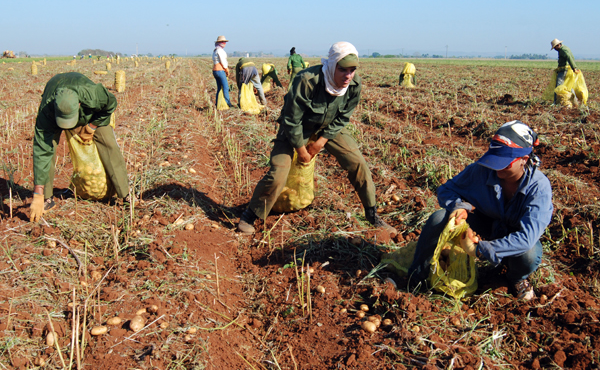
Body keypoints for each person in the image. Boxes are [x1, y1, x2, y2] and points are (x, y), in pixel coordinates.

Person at [238, 42, 397, 235]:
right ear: (331, 65)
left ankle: (372, 214)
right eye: (343, 69)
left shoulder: (354, 85)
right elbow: (291, 119)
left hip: (328, 128)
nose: (348, 76)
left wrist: (321, 142)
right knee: (279, 172)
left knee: (358, 164)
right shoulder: (307, 80)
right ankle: (251, 214)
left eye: (352, 70)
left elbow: (343, 117)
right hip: (297, 128)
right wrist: (302, 150)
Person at [408, 121, 553, 300]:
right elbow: (447, 189)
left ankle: (516, 278)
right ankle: (417, 276)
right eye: (495, 158)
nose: (496, 166)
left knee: (529, 254)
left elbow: (526, 238)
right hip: (485, 225)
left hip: (514, 239)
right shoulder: (482, 171)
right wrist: (461, 207)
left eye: (504, 162)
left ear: (524, 159)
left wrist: (480, 250)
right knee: (439, 218)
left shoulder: (539, 188)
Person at [30, 72, 130, 222]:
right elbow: (41, 150)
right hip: (55, 111)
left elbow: (111, 104)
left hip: (91, 114)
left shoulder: (93, 94)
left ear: (79, 105)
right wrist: (38, 193)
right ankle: (46, 199)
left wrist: (92, 126)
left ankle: (125, 194)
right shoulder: (47, 110)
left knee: (108, 143)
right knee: (47, 150)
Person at [550, 39, 580, 105]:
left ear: (558, 45)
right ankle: (575, 102)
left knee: (558, 85)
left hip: (564, 70)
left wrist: (574, 67)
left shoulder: (563, 50)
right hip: (568, 69)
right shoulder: (565, 48)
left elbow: (569, 57)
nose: (555, 49)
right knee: (569, 85)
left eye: (555, 47)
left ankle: (556, 102)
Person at [212, 35, 232, 107]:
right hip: (220, 71)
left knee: (219, 88)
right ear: (220, 43)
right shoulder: (220, 50)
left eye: (225, 42)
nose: (224, 43)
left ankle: (217, 104)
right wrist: (226, 69)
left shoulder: (215, 50)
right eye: (223, 42)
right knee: (225, 87)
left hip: (215, 71)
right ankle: (228, 103)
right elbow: (223, 61)